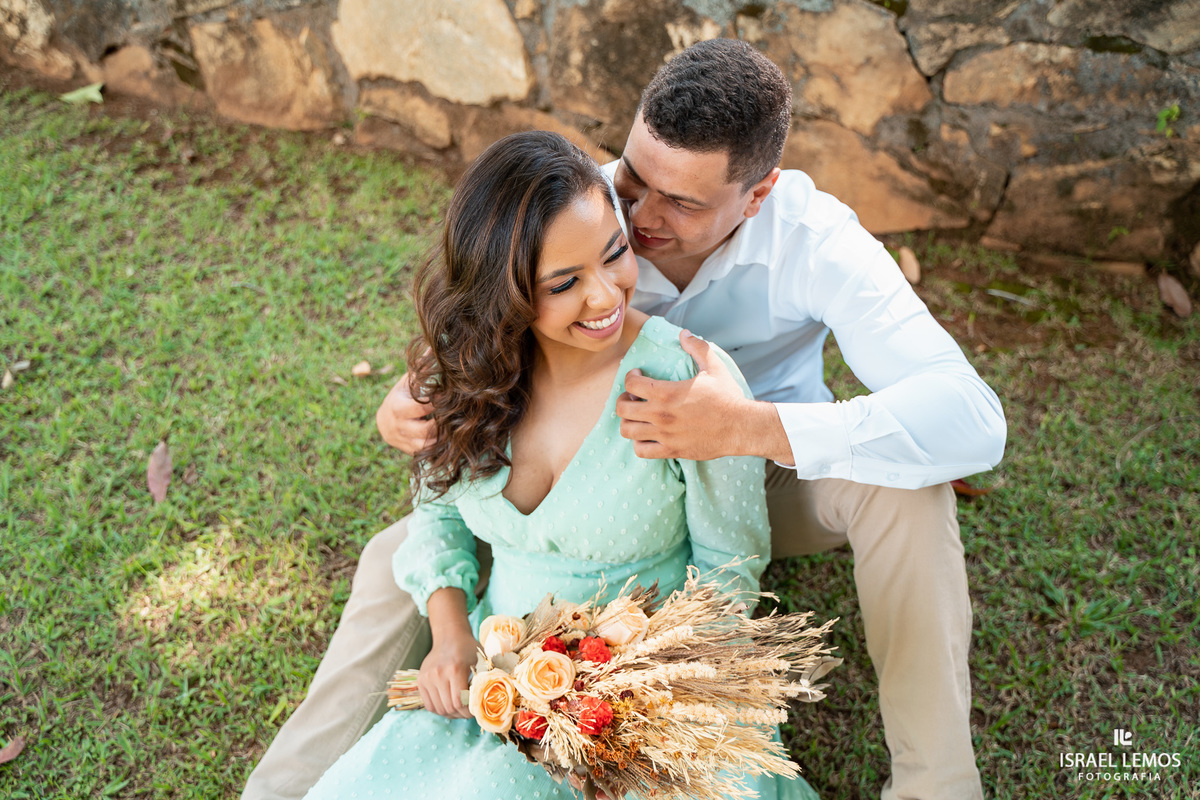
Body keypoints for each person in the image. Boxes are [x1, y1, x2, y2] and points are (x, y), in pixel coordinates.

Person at [243, 39, 1005, 800]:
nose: (639, 218)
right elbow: (486, 311)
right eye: (634, 180)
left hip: (763, 469)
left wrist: (744, 427)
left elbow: (971, 419)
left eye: (682, 203)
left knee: (908, 489)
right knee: (398, 554)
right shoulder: (577, 210)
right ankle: (289, 786)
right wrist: (411, 408)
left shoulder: (816, 241)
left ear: (758, 194)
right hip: (568, 482)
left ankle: (937, 786)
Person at [296, 130, 815, 799]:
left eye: (615, 255)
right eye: (565, 282)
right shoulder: (468, 372)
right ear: (502, 293)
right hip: (496, 688)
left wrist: (632, 697)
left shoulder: (684, 381)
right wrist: (450, 637)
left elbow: (729, 571)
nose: (605, 297)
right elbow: (437, 512)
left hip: (652, 694)